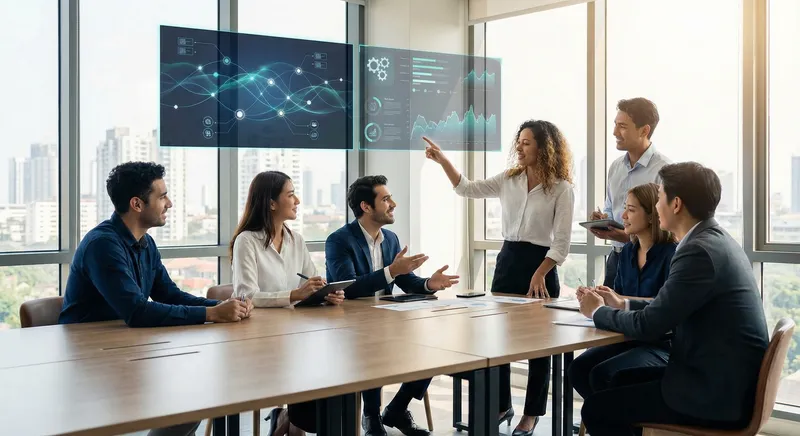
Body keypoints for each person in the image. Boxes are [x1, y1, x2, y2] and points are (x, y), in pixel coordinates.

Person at [60, 161, 252, 436]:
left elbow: (169, 294)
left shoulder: (146, 243)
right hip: (88, 362)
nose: (170, 203)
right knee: (185, 400)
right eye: (162, 197)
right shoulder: (102, 245)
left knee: (192, 403)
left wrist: (223, 306)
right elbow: (137, 312)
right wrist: (212, 315)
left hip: (128, 348)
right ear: (137, 204)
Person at [578, 162, 769, 436]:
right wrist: (624, 304)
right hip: (719, 379)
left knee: (598, 409)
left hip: (713, 393)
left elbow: (650, 325)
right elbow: (669, 305)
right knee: (611, 380)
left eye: (659, 198)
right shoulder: (713, 239)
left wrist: (597, 312)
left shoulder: (697, 251)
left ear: (676, 204)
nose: (657, 206)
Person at [425, 119, 574, 436]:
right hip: (507, 264)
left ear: (544, 148)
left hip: (541, 267)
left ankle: (531, 414)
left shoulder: (562, 189)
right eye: (519, 141)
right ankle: (503, 405)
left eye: (527, 142)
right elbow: (467, 188)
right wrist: (443, 161)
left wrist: (540, 272)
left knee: (538, 349)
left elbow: (561, 242)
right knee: (501, 341)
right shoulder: (509, 180)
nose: (520, 147)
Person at [325, 175, 459, 436]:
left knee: (432, 348)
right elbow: (349, 287)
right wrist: (391, 271)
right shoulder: (339, 240)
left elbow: (406, 280)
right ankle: (371, 416)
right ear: (366, 207)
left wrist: (429, 284)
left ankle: (397, 409)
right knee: (372, 346)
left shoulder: (391, 238)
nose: (393, 203)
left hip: (384, 321)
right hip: (349, 327)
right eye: (385, 199)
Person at [230, 171, 345, 436]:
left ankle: (292, 420)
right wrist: (295, 295)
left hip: (296, 335)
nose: (298, 200)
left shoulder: (297, 240)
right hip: (260, 340)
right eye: (290, 194)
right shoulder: (247, 241)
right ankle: (293, 421)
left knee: (332, 369)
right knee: (311, 371)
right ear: (271, 203)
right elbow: (248, 296)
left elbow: (311, 283)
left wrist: (326, 294)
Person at [569, 183, 676, 403]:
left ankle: (619, 422)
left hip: (662, 345)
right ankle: (613, 420)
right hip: (628, 338)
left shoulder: (673, 255)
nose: (622, 215)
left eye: (631, 210)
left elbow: (666, 310)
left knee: (603, 374)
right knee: (578, 369)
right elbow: (619, 301)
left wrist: (616, 303)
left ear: (651, 216)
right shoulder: (627, 252)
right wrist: (600, 298)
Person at [590, 98, 670, 288]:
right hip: (617, 256)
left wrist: (626, 236)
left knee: (639, 312)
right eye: (615, 125)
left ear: (644, 130)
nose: (615, 132)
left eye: (623, 126)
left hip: (650, 260)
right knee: (608, 312)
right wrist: (602, 220)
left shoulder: (664, 170)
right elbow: (611, 208)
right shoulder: (616, 167)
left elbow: (666, 228)